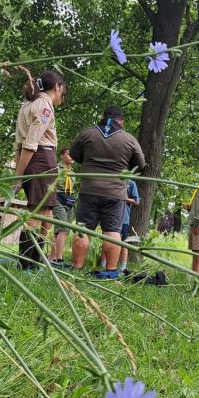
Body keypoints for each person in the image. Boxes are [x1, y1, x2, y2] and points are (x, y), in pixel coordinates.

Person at [69, 105, 145, 278]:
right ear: (122, 121)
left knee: (83, 229)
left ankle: (77, 268)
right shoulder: (129, 139)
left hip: (89, 189)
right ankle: (110, 271)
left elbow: (74, 154)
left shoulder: (87, 133)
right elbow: (140, 164)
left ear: (103, 116)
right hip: (116, 192)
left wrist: (89, 162)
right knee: (112, 231)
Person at [13, 70, 66, 270]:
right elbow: (30, 143)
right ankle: (26, 264)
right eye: (63, 92)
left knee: (46, 213)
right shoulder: (45, 106)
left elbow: (18, 144)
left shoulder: (26, 106)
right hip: (41, 159)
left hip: (30, 161)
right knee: (36, 215)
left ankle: (35, 261)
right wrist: (18, 178)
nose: (62, 96)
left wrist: (20, 171)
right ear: (58, 87)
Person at [49, 146, 76, 266]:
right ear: (62, 156)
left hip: (69, 201)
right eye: (69, 154)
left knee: (61, 230)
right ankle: (59, 259)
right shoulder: (55, 169)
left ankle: (52, 257)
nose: (72, 157)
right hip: (58, 199)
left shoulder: (73, 173)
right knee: (63, 228)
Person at [118, 179, 140, 271]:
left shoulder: (131, 183)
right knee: (107, 239)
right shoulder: (111, 177)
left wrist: (124, 198)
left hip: (123, 218)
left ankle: (123, 268)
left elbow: (136, 201)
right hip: (109, 217)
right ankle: (103, 265)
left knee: (123, 243)